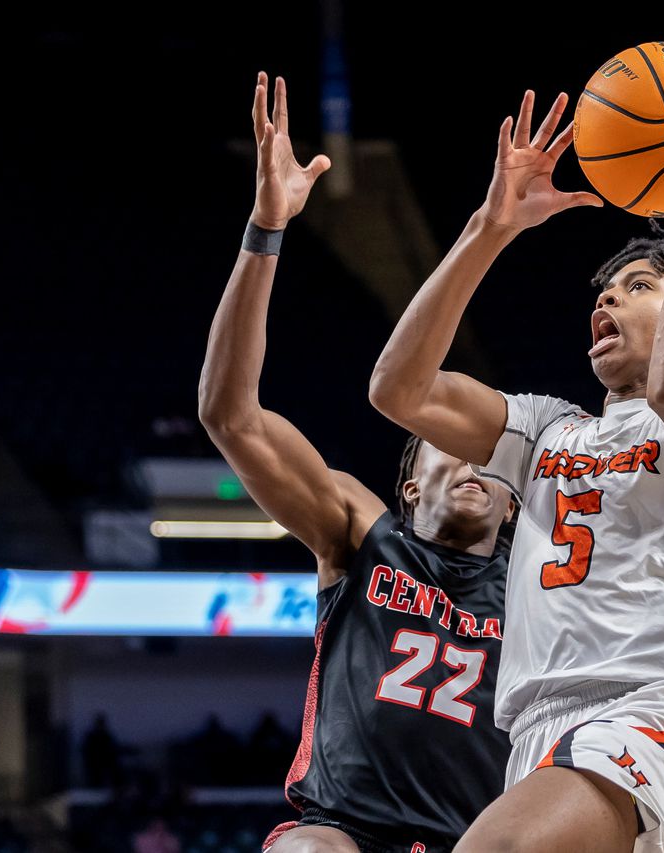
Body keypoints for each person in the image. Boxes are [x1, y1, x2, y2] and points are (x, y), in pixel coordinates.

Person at [370, 59, 664, 853]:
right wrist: (492, 227)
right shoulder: (547, 430)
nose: (607, 297)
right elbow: (399, 388)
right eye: (604, 289)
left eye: (639, 285)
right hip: (536, 738)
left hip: (646, 721)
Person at [198, 71, 517, 853]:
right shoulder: (361, 531)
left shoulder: (543, 583)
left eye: (494, 455)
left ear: (519, 501)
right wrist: (265, 231)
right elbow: (229, 414)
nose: (480, 461)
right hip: (342, 829)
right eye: (456, 446)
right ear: (409, 485)